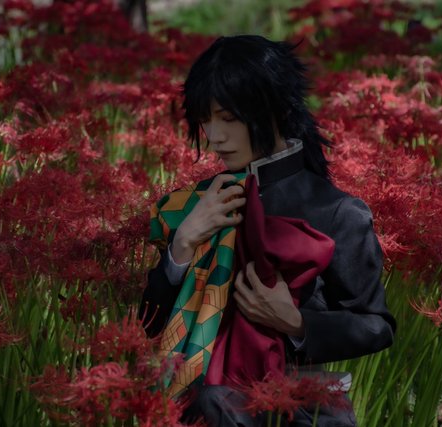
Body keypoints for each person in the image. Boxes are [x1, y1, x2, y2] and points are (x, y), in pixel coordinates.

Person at [140, 35, 396, 427]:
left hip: (302, 410)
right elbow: (150, 325)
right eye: (206, 120)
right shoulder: (200, 204)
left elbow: (376, 325)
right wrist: (183, 243)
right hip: (199, 402)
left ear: (274, 109)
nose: (215, 136)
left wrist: (295, 322)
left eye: (228, 118)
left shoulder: (336, 212)